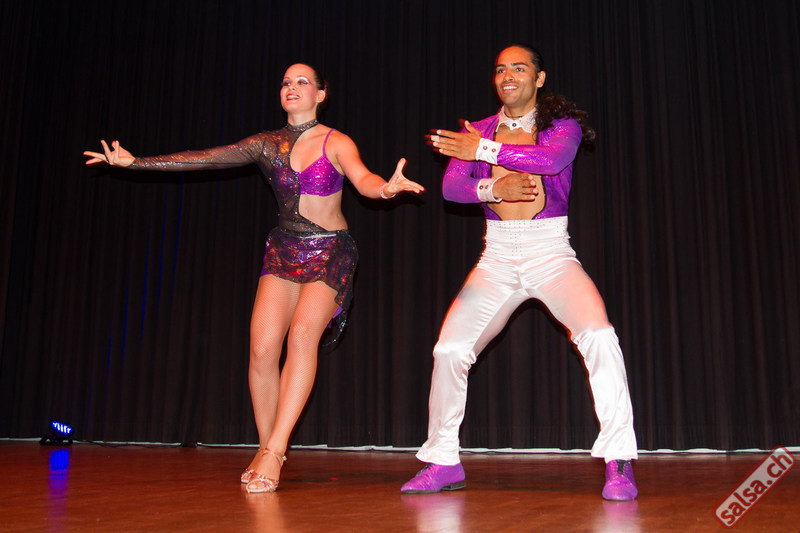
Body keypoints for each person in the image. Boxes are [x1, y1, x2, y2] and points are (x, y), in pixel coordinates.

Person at [85, 63, 425, 493]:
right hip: (284, 250)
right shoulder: (266, 143)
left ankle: (276, 451)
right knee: (262, 348)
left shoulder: (336, 141)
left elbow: (364, 179)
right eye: (285, 82)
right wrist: (136, 162)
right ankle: (267, 447)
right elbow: (206, 158)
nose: (291, 87)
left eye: (302, 82)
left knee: (302, 336)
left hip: (330, 251)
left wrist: (386, 189)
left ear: (321, 94)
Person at [400, 45, 638, 500]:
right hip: (497, 257)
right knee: (449, 350)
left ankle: (619, 460)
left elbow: (551, 162)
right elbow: (452, 187)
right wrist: (494, 187)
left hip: (550, 252)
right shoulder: (477, 129)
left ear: (539, 78)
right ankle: (443, 460)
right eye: (500, 69)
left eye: (519, 68)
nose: (507, 75)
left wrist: (483, 150)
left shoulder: (559, 126)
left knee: (599, 336)